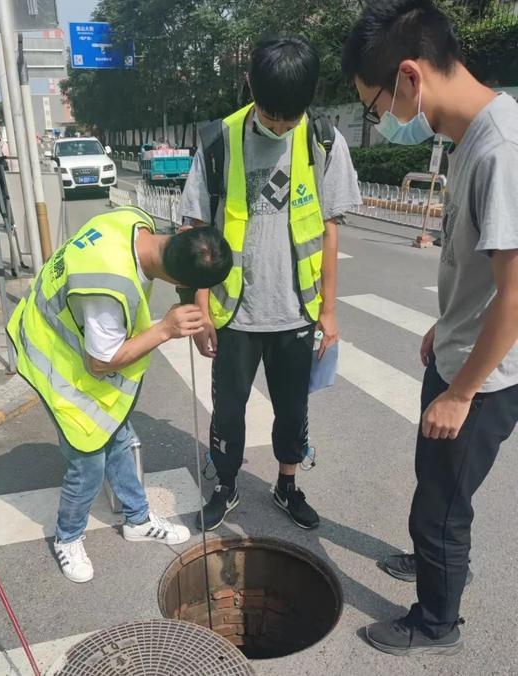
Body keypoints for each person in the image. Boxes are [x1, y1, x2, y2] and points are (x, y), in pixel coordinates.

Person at [343, 0, 518, 656]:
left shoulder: (502, 149)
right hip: (460, 351)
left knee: (442, 507)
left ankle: (435, 620)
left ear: (410, 78)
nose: (382, 120)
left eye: (376, 105)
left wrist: (462, 390)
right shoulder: (472, 134)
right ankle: (434, 560)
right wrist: (444, 327)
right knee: (433, 487)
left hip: (485, 376)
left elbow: (516, 295)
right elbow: (476, 263)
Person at [181, 37, 361, 532]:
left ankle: (286, 484)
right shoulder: (219, 140)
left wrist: (328, 310)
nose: (279, 126)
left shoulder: (323, 140)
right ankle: (225, 485)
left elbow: (329, 228)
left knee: (291, 410)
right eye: (271, 115)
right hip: (233, 312)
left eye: (289, 118)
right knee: (229, 411)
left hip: (297, 312)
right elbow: (195, 230)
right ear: (250, 89)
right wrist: (199, 306)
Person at [7, 206, 233, 583]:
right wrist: (165, 329)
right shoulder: (107, 289)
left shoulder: (133, 221)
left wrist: (196, 312)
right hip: (56, 362)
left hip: (71, 340)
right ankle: (68, 536)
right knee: (88, 460)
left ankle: (137, 519)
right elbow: (101, 363)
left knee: (120, 437)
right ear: (177, 275)